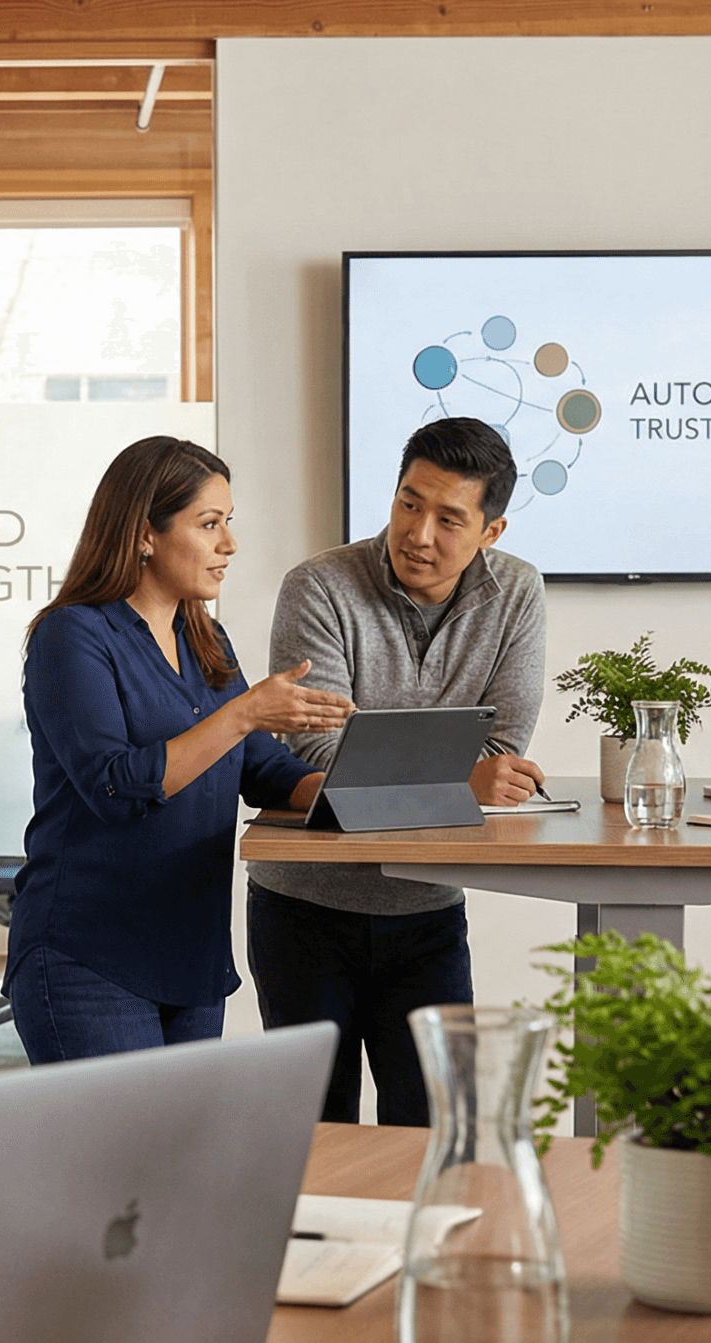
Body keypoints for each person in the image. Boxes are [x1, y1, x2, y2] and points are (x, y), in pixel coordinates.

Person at [4, 437, 354, 1063]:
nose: (230, 544)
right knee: (120, 1162)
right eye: (209, 524)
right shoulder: (72, 636)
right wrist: (245, 713)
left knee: (179, 1164)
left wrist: (358, 793)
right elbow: (116, 784)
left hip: (190, 957)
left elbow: (263, 769)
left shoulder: (205, 637)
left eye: (229, 523)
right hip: (88, 957)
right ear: (145, 534)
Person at [247, 417, 548, 1126]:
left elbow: (502, 743)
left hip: (428, 908)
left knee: (433, 1132)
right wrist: (456, 782)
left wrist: (429, 769)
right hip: (304, 907)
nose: (418, 533)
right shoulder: (319, 585)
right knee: (316, 1139)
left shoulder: (517, 594)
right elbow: (310, 750)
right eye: (409, 503)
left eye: (449, 518)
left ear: (491, 532)